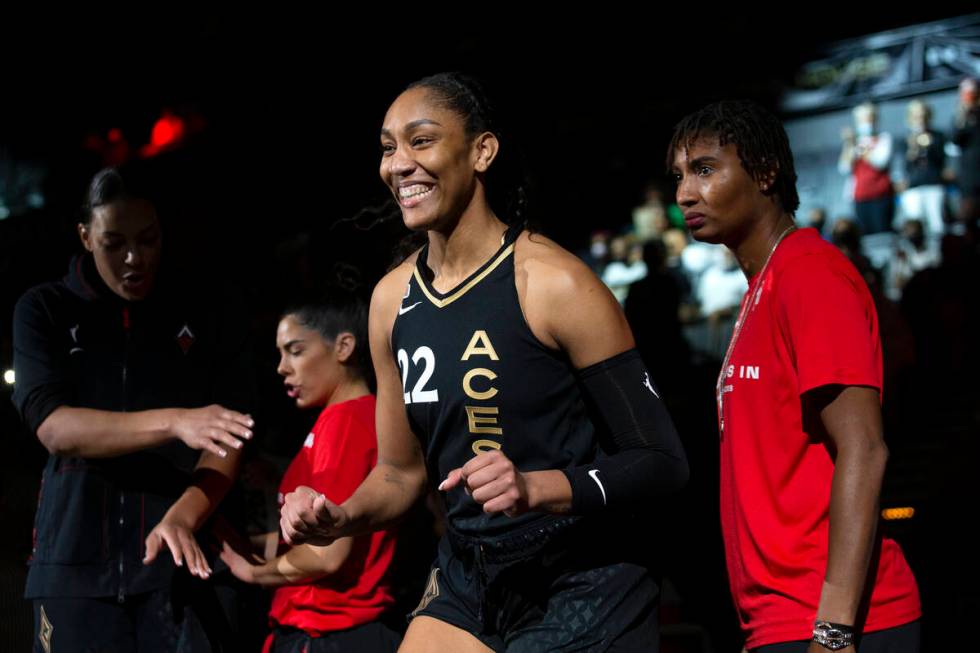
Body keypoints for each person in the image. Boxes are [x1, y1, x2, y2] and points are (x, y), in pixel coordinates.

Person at [281, 72, 689, 652]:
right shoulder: (390, 303)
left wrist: (536, 486)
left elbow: (662, 463)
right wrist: (340, 518)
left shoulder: (554, 283)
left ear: (482, 151)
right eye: (388, 147)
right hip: (471, 572)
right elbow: (399, 474)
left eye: (420, 141)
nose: (398, 164)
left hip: (581, 579)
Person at [668, 100, 921, 652]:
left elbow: (865, 449)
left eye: (705, 169)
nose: (685, 192)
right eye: (681, 176)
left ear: (764, 172)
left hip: (836, 623)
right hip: (785, 620)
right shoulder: (768, 282)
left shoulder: (809, 274)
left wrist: (832, 631)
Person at [11, 165, 255, 652]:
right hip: (74, 570)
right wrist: (177, 421)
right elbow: (56, 427)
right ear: (85, 236)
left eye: (147, 240)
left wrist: (186, 516)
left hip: (186, 567)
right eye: (113, 243)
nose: (133, 259)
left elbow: (230, 436)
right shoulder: (44, 309)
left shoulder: (204, 310)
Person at [218, 291, 399, 652]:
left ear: (344, 346)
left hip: (328, 631)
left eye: (295, 350)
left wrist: (253, 572)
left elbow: (326, 554)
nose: (282, 367)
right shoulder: (350, 418)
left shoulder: (346, 421)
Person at [839, 102, 894, 235]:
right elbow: (844, 168)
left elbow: (880, 162)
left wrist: (863, 148)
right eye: (862, 119)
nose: (866, 122)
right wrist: (848, 145)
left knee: (882, 232)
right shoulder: (853, 143)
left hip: (881, 196)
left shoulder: (883, 139)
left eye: (869, 118)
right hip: (860, 198)